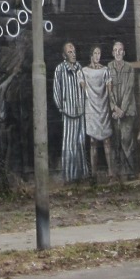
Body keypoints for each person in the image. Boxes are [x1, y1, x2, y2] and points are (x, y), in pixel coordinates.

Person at [52, 42, 89, 182]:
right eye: (69, 52)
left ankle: (82, 175)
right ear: (64, 55)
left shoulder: (80, 68)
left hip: (80, 111)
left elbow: (85, 88)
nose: (73, 54)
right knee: (69, 145)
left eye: (74, 51)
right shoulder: (60, 69)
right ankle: (69, 176)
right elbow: (56, 90)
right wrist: (62, 107)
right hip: (68, 112)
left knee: (81, 143)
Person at [81, 46, 115, 180]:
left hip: (103, 108)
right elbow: (84, 90)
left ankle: (111, 172)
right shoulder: (84, 71)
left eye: (99, 53)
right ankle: (93, 174)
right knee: (93, 141)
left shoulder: (105, 70)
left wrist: (110, 103)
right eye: (95, 53)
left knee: (107, 140)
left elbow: (109, 89)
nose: (97, 56)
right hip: (91, 108)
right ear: (91, 55)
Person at [109, 41, 138, 178]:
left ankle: (130, 172)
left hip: (128, 111)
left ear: (124, 52)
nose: (118, 52)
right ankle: (119, 173)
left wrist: (122, 110)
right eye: (116, 50)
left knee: (127, 141)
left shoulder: (130, 68)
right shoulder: (109, 67)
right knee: (117, 142)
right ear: (113, 52)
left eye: (120, 50)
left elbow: (129, 89)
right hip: (115, 112)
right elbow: (109, 90)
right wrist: (114, 107)